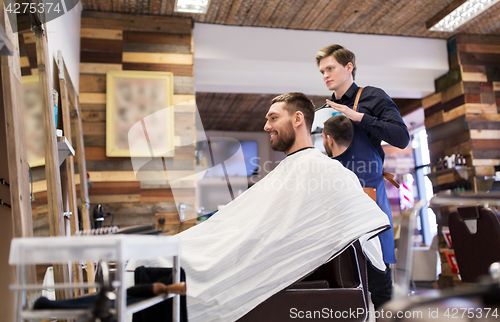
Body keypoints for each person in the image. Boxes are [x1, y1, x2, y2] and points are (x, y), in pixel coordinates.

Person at [126, 92, 390, 322]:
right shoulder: (290, 169)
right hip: (242, 246)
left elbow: (359, 220)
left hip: (257, 257)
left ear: (297, 119)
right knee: (156, 257)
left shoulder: (325, 170)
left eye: (273, 118)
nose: (266, 126)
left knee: (159, 259)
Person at [314, 44, 410, 309]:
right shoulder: (324, 111)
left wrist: (360, 117)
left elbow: (401, 138)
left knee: (379, 287)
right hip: (335, 206)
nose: (325, 75)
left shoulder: (373, 98)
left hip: (368, 201)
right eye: (322, 71)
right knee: (342, 287)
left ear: (348, 68)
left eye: (330, 68)